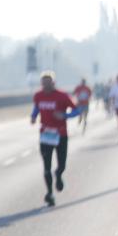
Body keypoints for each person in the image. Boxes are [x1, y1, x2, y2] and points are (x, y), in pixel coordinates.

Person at [31, 70, 79, 206]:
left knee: (62, 164)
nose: (45, 86)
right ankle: (49, 193)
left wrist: (65, 116)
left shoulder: (62, 96)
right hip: (45, 135)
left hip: (61, 135)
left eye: (48, 83)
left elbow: (76, 110)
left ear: (53, 83)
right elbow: (36, 108)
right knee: (46, 167)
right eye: (43, 83)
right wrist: (33, 116)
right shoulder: (38, 96)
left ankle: (58, 174)